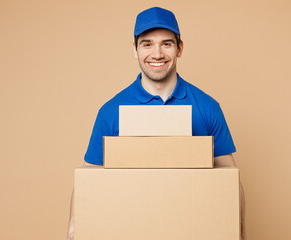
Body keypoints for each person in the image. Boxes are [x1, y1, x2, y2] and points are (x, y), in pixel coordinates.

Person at [68, 7, 246, 240]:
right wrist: (73, 228)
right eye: (147, 44)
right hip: (129, 230)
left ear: (179, 48)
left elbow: (230, 178)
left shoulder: (207, 108)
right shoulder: (111, 112)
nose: (157, 53)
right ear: (135, 50)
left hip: (191, 230)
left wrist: (239, 230)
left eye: (167, 44)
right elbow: (88, 179)